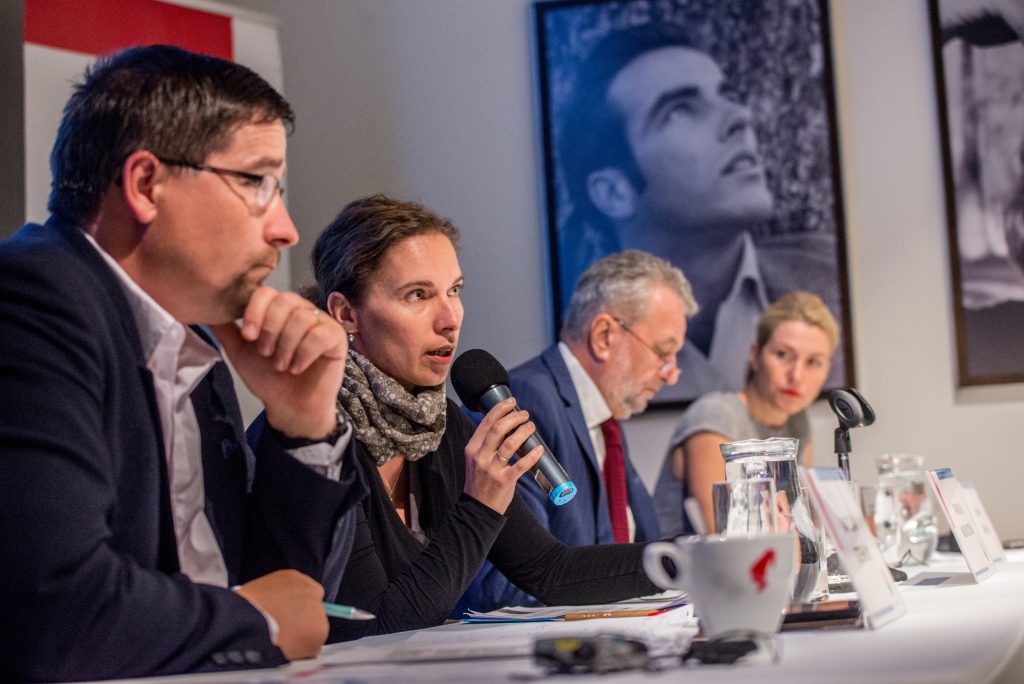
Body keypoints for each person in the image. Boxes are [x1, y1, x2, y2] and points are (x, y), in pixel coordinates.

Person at [0, 46, 365, 682]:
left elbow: (298, 597)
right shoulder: (31, 299)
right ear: (147, 184)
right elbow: (53, 609)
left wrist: (303, 424)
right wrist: (259, 620)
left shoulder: (192, 342)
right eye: (257, 182)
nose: (285, 229)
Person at [308, 194, 659, 641]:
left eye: (454, 290)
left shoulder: (440, 425)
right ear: (346, 314)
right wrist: (480, 506)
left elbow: (551, 570)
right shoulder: (313, 438)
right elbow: (377, 626)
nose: (450, 318)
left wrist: (693, 556)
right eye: (418, 295)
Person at [557, 22, 841, 401]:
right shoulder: (586, 351)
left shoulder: (827, 278)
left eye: (728, 96)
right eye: (679, 111)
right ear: (614, 192)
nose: (740, 117)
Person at [461, 251, 696, 611]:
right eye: (663, 353)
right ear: (604, 336)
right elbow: (506, 587)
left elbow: (639, 550)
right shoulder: (527, 404)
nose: (672, 374)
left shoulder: (604, 420)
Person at [652, 291, 838, 537]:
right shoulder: (716, 415)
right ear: (755, 355)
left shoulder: (799, 422)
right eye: (782, 355)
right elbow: (725, 535)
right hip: (683, 561)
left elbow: (800, 523)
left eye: (813, 362)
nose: (796, 376)